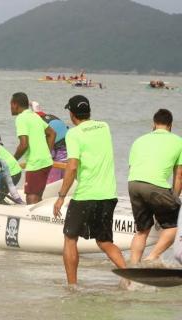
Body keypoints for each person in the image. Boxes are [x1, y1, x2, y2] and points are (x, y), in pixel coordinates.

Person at [53, 95, 126, 286]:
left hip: (85, 196)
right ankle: (130, 278)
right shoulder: (104, 127)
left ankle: (72, 286)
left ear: (71, 114)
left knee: (70, 239)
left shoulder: (73, 134)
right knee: (104, 242)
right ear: (89, 111)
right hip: (108, 195)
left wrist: (61, 196)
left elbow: (72, 166)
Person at [127, 109, 182, 265]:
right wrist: (174, 198)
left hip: (134, 184)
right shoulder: (178, 141)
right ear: (170, 125)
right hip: (156, 186)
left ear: (154, 124)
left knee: (142, 230)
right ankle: (152, 257)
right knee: (177, 223)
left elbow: (132, 167)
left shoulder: (139, 140)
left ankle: (133, 266)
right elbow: (179, 175)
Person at [11, 92, 55, 204]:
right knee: (37, 196)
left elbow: (23, 145)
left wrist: (12, 160)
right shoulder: (34, 116)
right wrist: (47, 152)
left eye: (11, 104)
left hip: (36, 164)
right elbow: (52, 133)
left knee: (31, 197)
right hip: (46, 162)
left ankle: (30, 219)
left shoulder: (21, 118)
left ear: (15, 104)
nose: (10, 108)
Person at [31, 101, 68, 183]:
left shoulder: (41, 126)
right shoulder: (52, 118)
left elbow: (48, 152)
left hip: (57, 158)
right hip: (69, 155)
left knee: (51, 181)